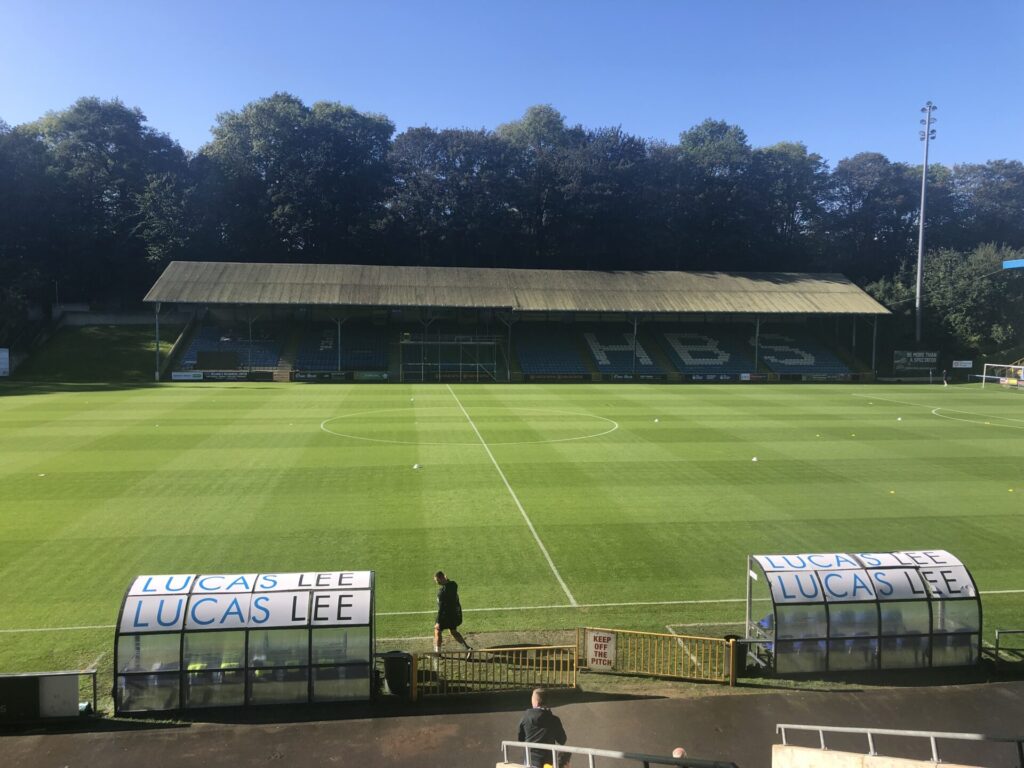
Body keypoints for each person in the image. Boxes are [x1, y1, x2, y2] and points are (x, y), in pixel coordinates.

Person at [518, 688, 568, 768]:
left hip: (530, 760)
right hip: (548, 762)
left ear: (536, 702)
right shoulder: (554, 720)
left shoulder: (525, 718)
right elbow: (562, 740)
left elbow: (520, 738)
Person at [433, 571, 472, 655]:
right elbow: (450, 584)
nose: (437, 582)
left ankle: (437, 652)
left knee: (437, 630)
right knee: (453, 631)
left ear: (441, 578)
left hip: (445, 616)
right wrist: (447, 580)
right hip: (454, 614)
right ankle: (467, 648)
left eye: (437, 580)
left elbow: (441, 608)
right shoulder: (453, 585)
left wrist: (438, 622)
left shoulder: (441, 592)